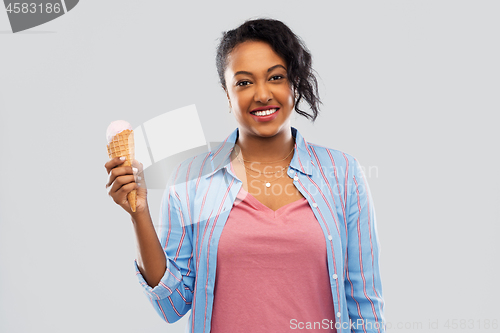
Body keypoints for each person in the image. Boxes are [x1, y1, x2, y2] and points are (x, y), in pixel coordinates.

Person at [104, 18, 385, 333]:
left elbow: (365, 307)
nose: (262, 94)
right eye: (244, 82)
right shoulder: (190, 180)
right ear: (227, 93)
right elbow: (171, 306)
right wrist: (138, 213)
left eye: (275, 77)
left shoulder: (343, 174)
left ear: (294, 82)